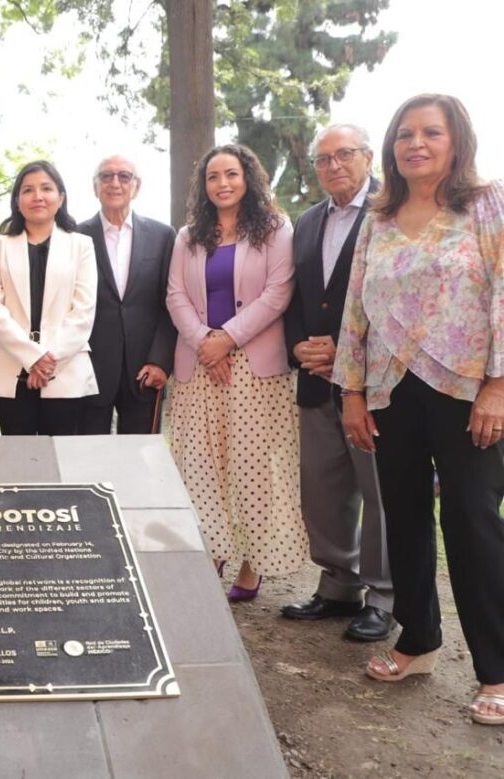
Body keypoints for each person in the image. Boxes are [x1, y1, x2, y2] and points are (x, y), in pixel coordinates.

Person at [335, 94, 504, 726]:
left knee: (470, 520)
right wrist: (351, 391)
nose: (415, 144)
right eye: (405, 134)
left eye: (431, 132)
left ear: (455, 141)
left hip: (467, 390)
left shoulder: (488, 203)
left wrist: (499, 384)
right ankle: (418, 640)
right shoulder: (378, 217)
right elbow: (356, 305)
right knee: (403, 516)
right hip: (389, 388)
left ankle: (497, 670)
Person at [166, 143, 307, 602]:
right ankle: (211, 554)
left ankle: (251, 564)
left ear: (248, 177)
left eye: (231, 174)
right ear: (203, 186)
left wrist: (227, 338)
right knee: (201, 466)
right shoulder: (188, 235)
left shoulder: (273, 227)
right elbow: (175, 296)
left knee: (250, 467)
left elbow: (278, 291)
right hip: (198, 365)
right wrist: (206, 343)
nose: (222, 183)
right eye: (213, 177)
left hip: (255, 367)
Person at [280, 124, 394, 642]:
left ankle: (384, 596)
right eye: (323, 159)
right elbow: (296, 298)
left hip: (372, 384)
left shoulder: (392, 212)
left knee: (379, 491)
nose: (333, 166)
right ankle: (337, 585)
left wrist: (347, 352)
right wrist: (298, 345)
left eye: (344, 155)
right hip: (314, 380)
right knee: (323, 491)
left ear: (369, 157)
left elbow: (395, 302)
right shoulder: (305, 223)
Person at [0, 160, 98, 435]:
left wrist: (46, 361)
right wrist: (32, 358)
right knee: (19, 463)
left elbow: (84, 311)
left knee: (62, 465)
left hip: (64, 369)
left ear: (61, 197)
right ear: (17, 201)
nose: (38, 196)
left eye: (46, 188)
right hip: (9, 369)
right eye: (28, 190)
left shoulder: (81, 246)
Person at [76, 154, 177, 434]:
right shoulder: (75, 236)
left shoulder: (163, 236)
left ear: (137, 186)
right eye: (106, 176)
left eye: (124, 176)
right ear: (95, 186)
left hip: (145, 371)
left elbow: (170, 304)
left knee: (141, 462)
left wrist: (160, 361)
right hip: (89, 369)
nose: (115, 183)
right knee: (89, 459)